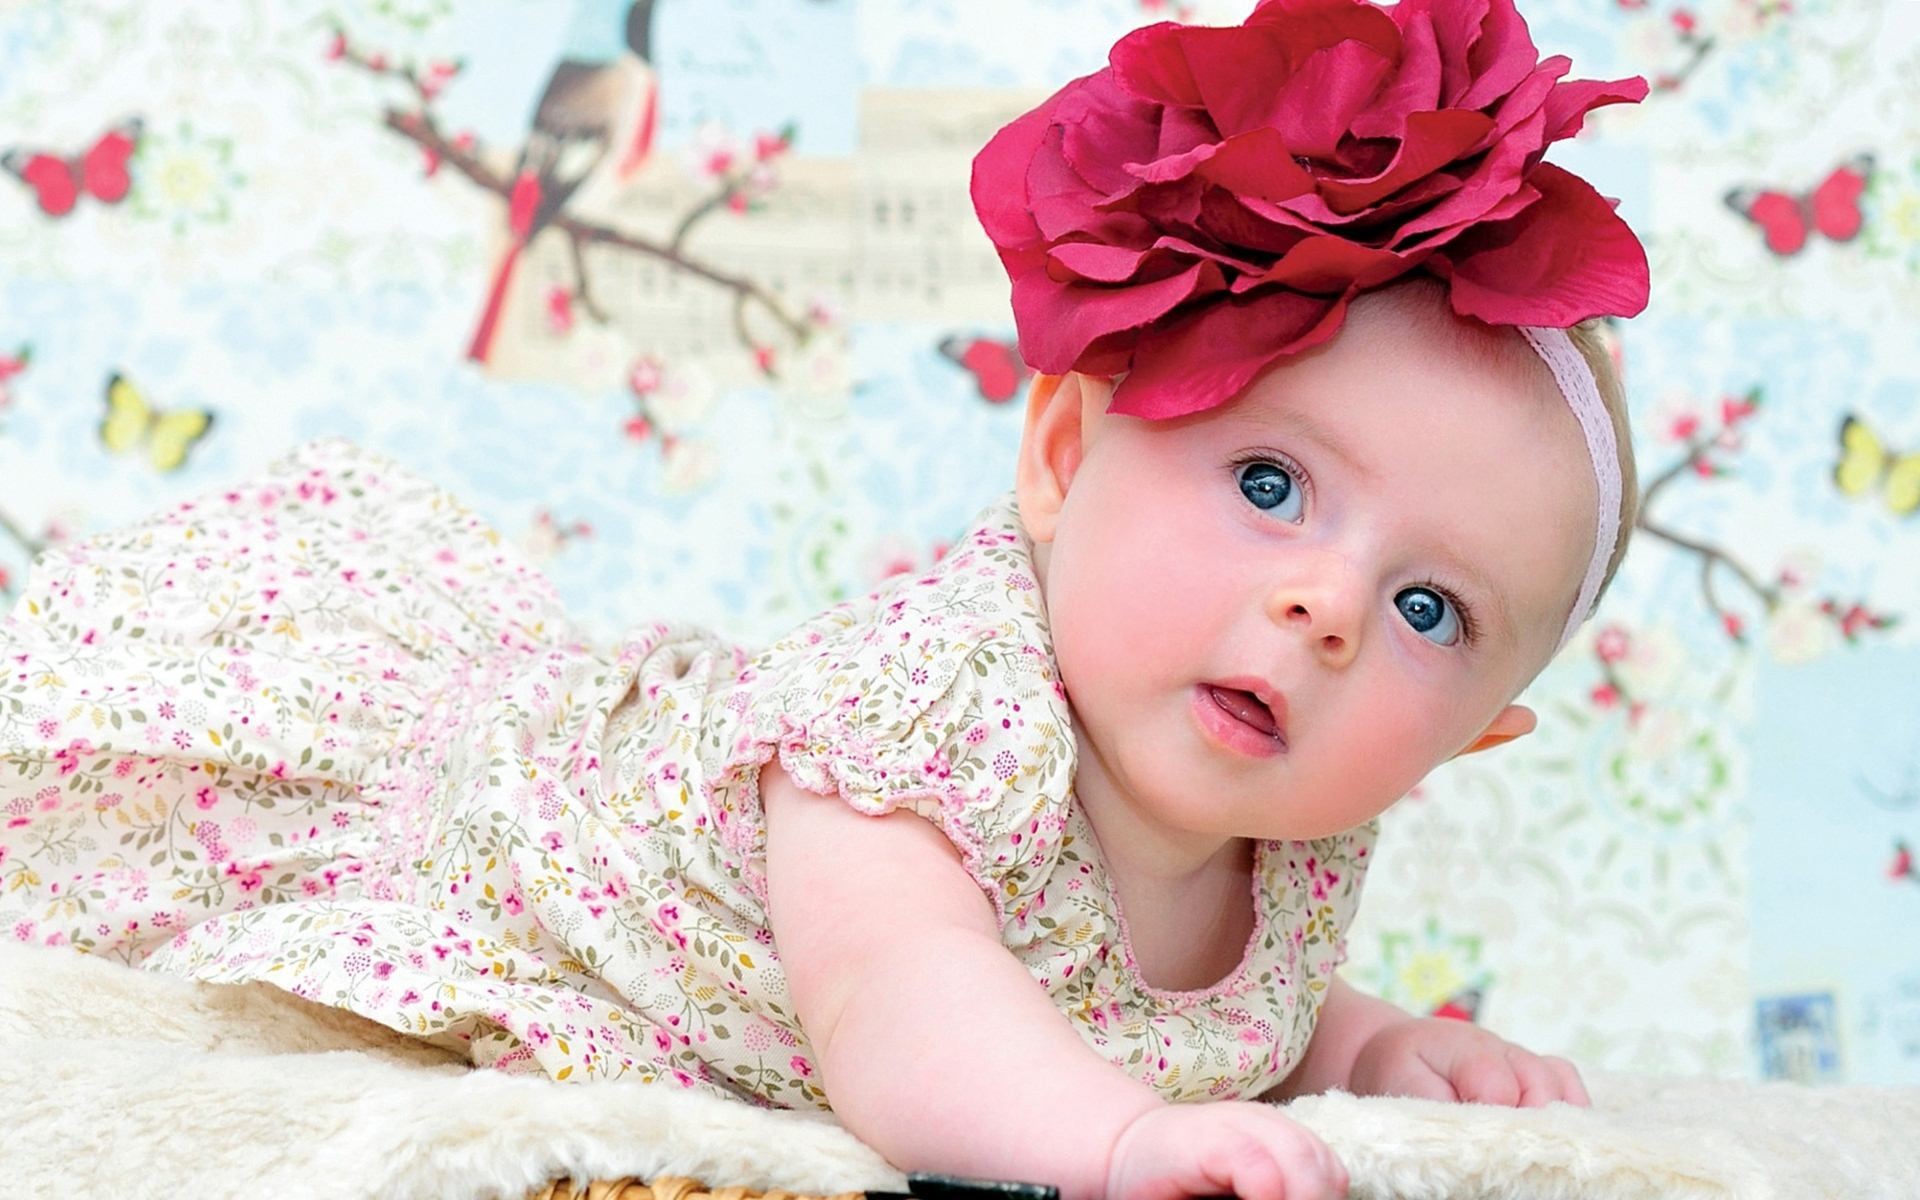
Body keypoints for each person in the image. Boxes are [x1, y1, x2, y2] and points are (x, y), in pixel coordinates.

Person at [0, 2, 1649, 1198]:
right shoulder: (929, 720)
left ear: (1477, 738)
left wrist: (1369, 1050)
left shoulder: (1296, 837)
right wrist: (1119, 1146)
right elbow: (905, 1003)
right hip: (512, 835)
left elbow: (1204, 1013)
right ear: (1066, 458)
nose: (1328, 608)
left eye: (1432, 609)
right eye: (1272, 487)